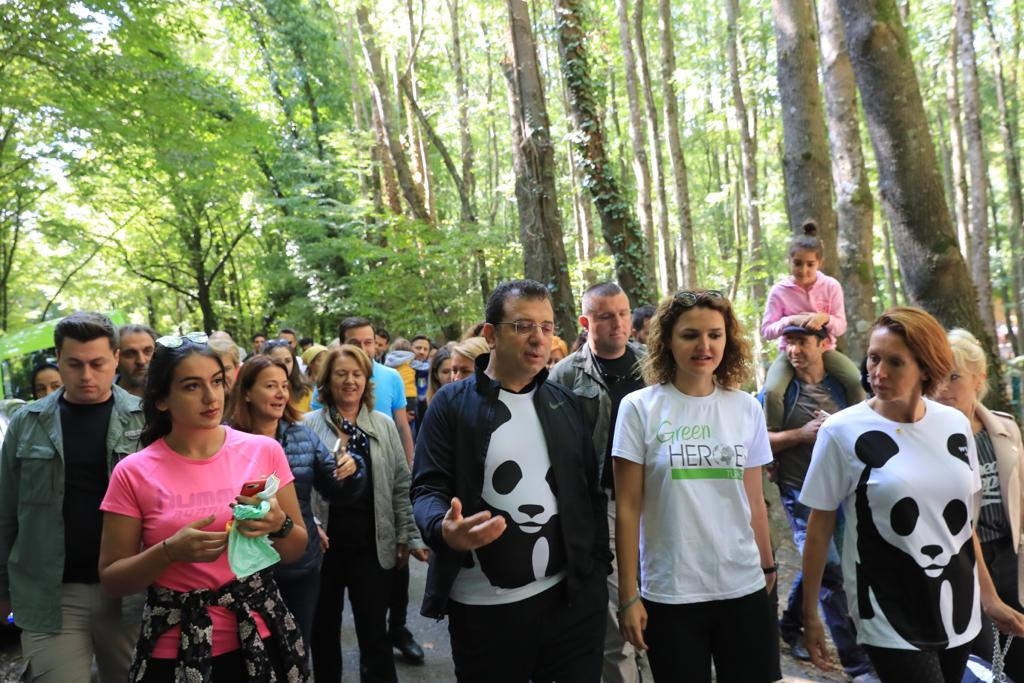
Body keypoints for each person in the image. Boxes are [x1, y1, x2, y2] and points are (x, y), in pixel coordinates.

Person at [800, 307, 1024, 682]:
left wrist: (989, 598)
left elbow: (963, 526)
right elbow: (819, 527)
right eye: (874, 358)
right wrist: (810, 614)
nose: (878, 372)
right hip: (888, 609)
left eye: (895, 362)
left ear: (925, 368)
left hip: (957, 605)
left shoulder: (954, 424)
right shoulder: (841, 431)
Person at [412, 279, 610, 683]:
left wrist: (596, 575)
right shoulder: (452, 404)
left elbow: (589, 495)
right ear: (491, 335)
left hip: (571, 605)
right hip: (485, 612)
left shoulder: (564, 402)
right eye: (523, 326)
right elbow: (427, 488)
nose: (538, 338)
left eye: (546, 327)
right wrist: (444, 529)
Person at [97, 331, 309, 681]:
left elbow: (295, 549)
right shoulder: (133, 472)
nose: (211, 397)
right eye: (192, 386)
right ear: (162, 399)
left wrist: (279, 525)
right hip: (176, 646)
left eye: (217, 381)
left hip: (260, 635)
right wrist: (168, 552)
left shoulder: (263, 450)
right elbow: (112, 580)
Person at [613, 289, 776, 683]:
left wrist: (768, 566)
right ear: (667, 341)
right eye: (690, 335)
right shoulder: (639, 408)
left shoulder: (746, 408)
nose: (704, 346)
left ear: (728, 340)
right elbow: (628, 508)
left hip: (743, 585)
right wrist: (628, 594)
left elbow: (754, 500)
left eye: (715, 335)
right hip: (672, 592)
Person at [0, 312, 145, 682]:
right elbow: (6, 512)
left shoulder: (143, 420)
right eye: (74, 364)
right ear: (59, 359)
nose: (86, 375)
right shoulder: (27, 423)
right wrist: (2, 589)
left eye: (97, 363)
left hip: (129, 593)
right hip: (50, 596)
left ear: (115, 358)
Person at [760, 324, 877, 683]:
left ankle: (791, 622)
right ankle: (857, 663)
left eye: (802, 342)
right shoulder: (778, 392)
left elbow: (865, 423)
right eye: (790, 343)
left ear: (823, 344)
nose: (795, 350)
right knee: (830, 569)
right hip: (799, 489)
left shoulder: (841, 386)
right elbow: (759, 442)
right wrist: (800, 434)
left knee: (829, 562)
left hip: (843, 489)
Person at [304, 345, 425, 682]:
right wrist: (311, 524)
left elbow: (400, 484)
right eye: (341, 374)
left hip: (371, 545)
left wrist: (407, 535)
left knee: (374, 633)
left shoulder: (383, 425)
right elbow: (297, 489)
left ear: (367, 380)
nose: (350, 381)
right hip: (324, 548)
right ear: (327, 380)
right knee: (323, 632)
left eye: (357, 374)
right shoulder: (307, 426)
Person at [229, 355, 365, 646]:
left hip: (299, 565)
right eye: (270, 386)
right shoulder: (225, 440)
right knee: (252, 652)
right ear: (247, 393)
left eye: (284, 385)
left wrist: (352, 470)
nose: (281, 393)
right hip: (243, 569)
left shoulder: (302, 435)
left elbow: (334, 490)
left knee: (296, 647)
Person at [549, 281, 646, 683]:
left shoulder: (653, 365)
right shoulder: (565, 374)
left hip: (658, 499)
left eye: (623, 313)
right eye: (606, 316)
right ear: (586, 322)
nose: (618, 323)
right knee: (618, 611)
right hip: (602, 504)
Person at [933, 328, 1024, 681]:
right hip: (963, 559)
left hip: (1009, 556)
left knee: (1017, 650)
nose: (943, 387)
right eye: (938, 376)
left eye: (954, 376)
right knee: (981, 658)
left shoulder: (1004, 428)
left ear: (978, 379)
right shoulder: (929, 437)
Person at [337, 318, 423, 662]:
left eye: (368, 341)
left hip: (389, 476)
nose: (363, 348)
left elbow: (402, 427)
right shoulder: (334, 378)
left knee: (398, 564)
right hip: (349, 489)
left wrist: (410, 469)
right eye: (354, 342)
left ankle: (398, 628)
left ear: (377, 344)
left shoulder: (390, 377)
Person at [760, 222, 863, 431]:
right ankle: (773, 435)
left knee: (855, 380)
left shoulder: (831, 286)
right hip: (789, 351)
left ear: (819, 263)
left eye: (810, 264)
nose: (803, 270)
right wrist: (790, 320)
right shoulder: (780, 291)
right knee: (772, 391)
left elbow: (840, 326)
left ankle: (859, 425)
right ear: (789, 261)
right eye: (797, 263)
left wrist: (825, 318)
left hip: (825, 349)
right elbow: (766, 331)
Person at [264, 339, 314, 414]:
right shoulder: (259, 392)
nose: (284, 365)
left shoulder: (305, 392)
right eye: (277, 361)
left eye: (288, 361)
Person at [116, 324, 158, 398]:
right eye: (130, 354)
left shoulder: (171, 394)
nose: (141, 361)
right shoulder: (102, 395)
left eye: (148, 351)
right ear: (116, 358)